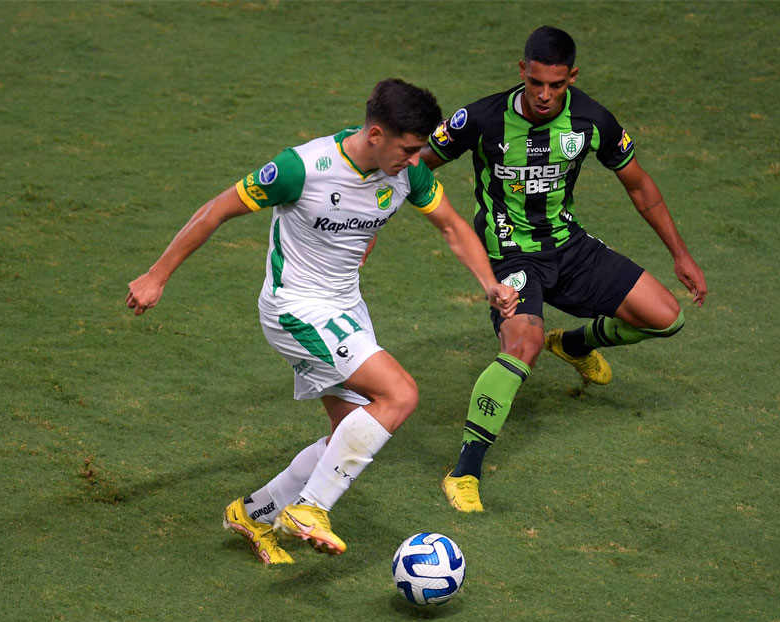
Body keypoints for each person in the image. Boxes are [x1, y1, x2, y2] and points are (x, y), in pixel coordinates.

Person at [126, 79, 518, 563]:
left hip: (347, 309)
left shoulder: (406, 174)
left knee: (348, 434)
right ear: (376, 135)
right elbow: (216, 211)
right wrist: (156, 275)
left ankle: (253, 513)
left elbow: (453, 226)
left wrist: (488, 283)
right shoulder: (302, 168)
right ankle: (310, 507)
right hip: (296, 308)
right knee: (401, 394)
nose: (417, 162)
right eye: (409, 149)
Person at [421, 26, 707, 512]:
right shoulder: (482, 117)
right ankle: (465, 469)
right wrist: (379, 224)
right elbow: (415, 164)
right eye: (536, 83)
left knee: (666, 317)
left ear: (572, 77)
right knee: (523, 345)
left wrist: (680, 253)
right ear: (522, 72)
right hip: (509, 254)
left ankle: (574, 343)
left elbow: (640, 187)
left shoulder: (593, 120)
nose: (545, 95)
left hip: (567, 246)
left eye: (556, 85)